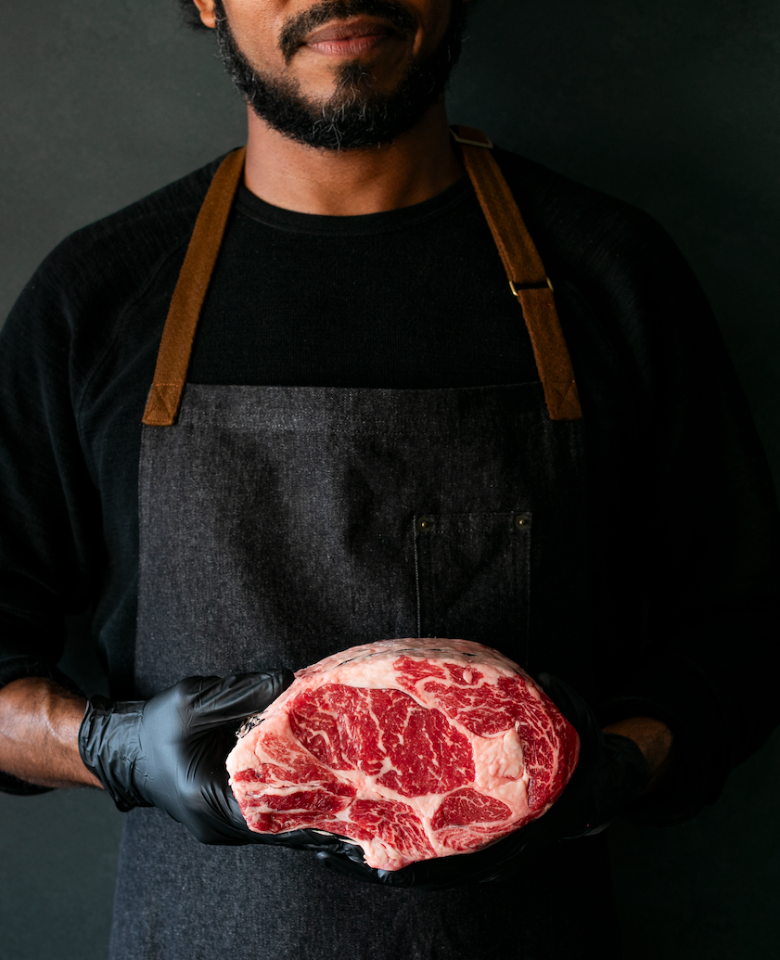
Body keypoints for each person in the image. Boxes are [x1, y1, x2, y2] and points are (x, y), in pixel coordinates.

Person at [0, 0, 778, 957]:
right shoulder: (97, 299)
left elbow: (748, 626)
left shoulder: (613, 273)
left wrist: (621, 763)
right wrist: (111, 748)